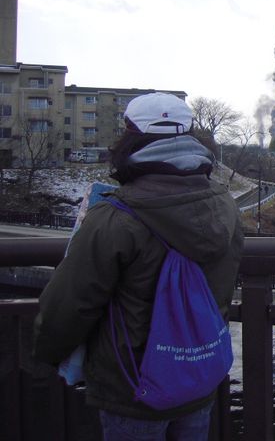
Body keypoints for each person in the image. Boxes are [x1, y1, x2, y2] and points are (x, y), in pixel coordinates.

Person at [33, 92, 244, 440]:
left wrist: (46, 354)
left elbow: (69, 305)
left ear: (130, 133)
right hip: (198, 374)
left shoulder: (116, 216)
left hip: (132, 386)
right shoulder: (225, 205)